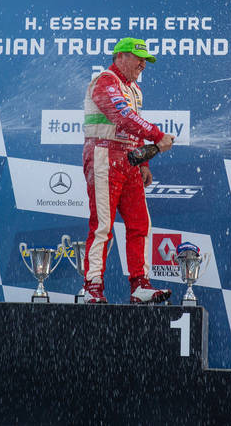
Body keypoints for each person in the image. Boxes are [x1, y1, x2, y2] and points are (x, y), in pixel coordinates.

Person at [82, 37, 175, 304]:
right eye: (138, 57)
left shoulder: (134, 89)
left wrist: (144, 162)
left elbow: (132, 127)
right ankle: (93, 286)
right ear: (120, 56)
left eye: (146, 59)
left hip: (130, 160)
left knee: (139, 224)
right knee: (102, 225)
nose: (143, 63)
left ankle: (139, 285)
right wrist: (157, 136)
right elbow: (122, 116)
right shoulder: (105, 80)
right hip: (102, 155)